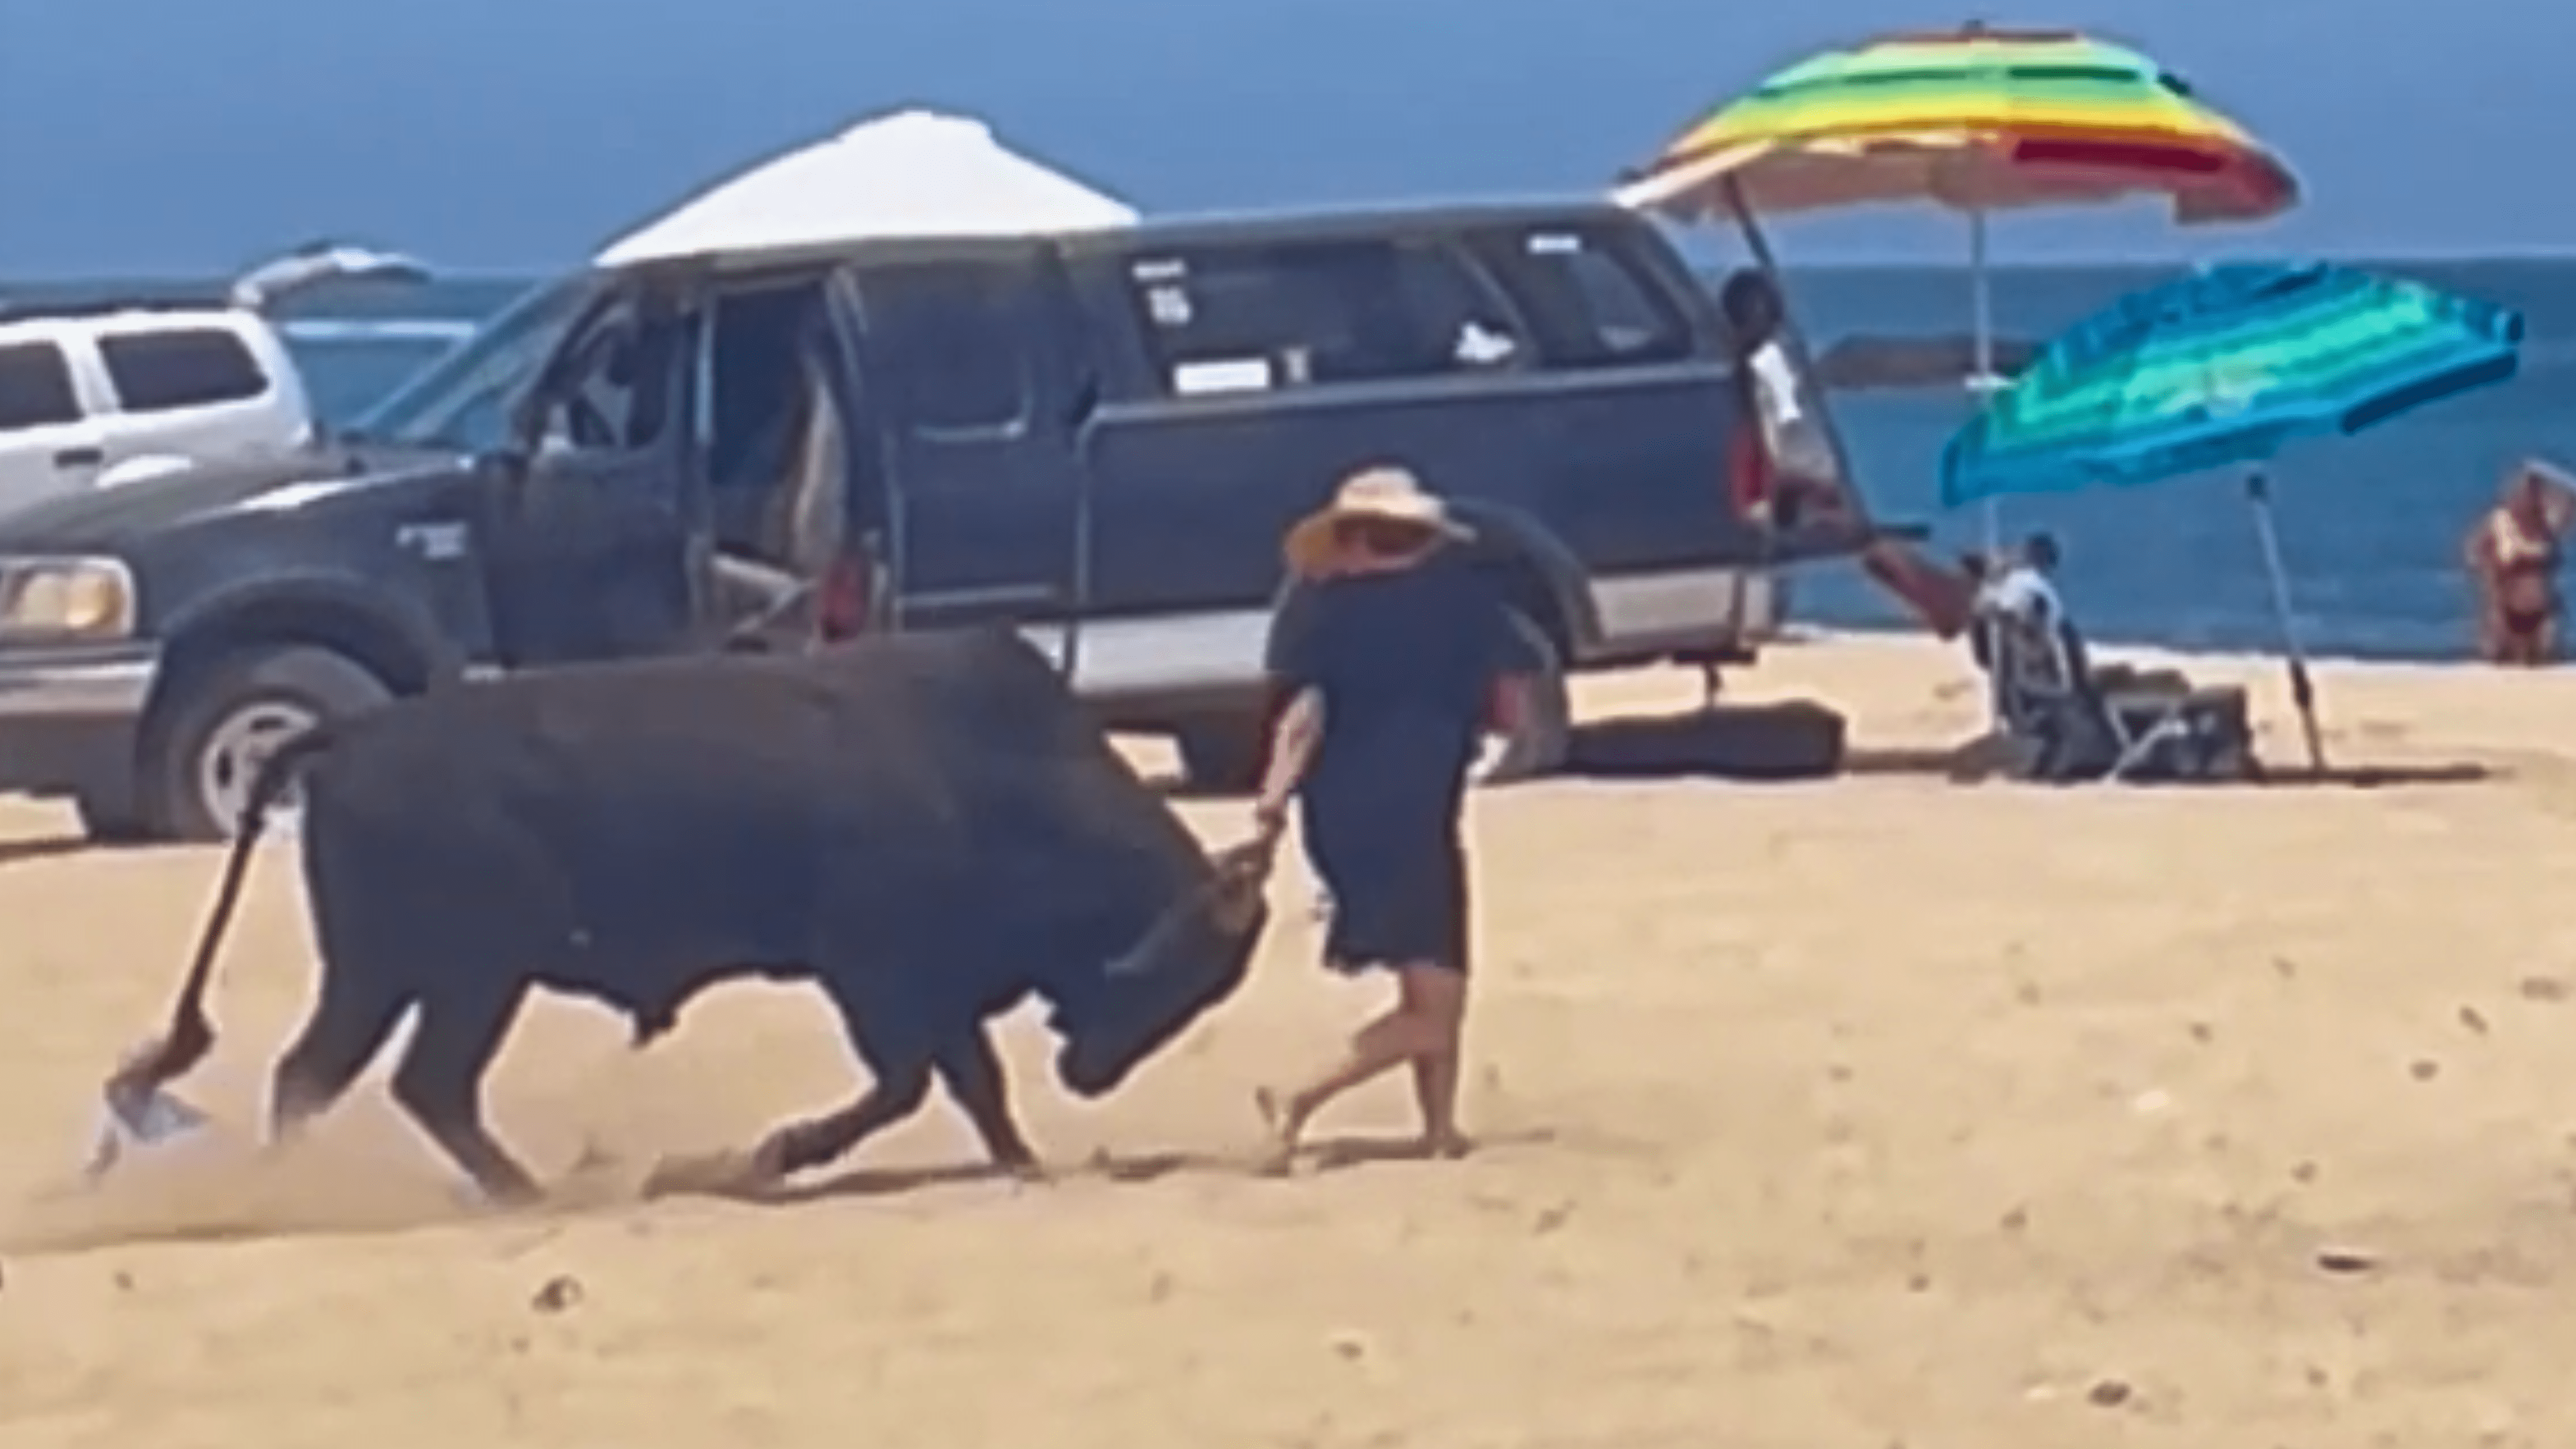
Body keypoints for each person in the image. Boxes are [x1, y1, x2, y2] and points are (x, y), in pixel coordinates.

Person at [1248, 465, 1538, 1173]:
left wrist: (1270, 805)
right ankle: (1298, 1095)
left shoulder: (1319, 610)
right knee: (1436, 996)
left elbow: (1301, 719)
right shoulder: (1467, 604)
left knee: (1432, 976)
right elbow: (1512, 710)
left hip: (1339, 818)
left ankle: (1438, 1130)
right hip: (1416, 813)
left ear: (1349, 536)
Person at [2465, 462, 2573, 666]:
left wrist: (2565, 488)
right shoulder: (2500, 523)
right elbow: (2473, 552)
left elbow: (2568, 512)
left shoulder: (2546, 525)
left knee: (2541, 658)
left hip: (2540, 606)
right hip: (2506, 604)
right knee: (2501, 657)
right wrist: (2493, 574)